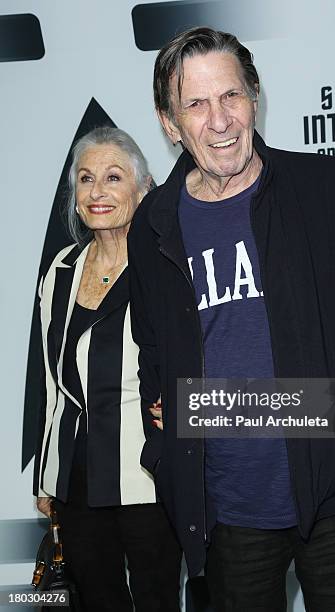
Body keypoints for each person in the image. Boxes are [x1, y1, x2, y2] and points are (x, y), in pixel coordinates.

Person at [127, 27, 335, 612]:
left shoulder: (324, 187)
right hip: (227, 514)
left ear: (254, 96)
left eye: (231, 96)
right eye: (196, 104)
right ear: (168, 123)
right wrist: (165, 439)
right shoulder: (155, 223)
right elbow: (154, 347)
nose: (220, 121)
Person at [33, 126, 181, 612]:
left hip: (146, 474)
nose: (97, 191)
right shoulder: (58, 271)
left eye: (113, 177)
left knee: (155, 600)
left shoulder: (166, 266)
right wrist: (45, 477)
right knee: (95, 600)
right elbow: (51, 382)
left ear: (143, 189)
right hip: (73, 477)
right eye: (85, 178)